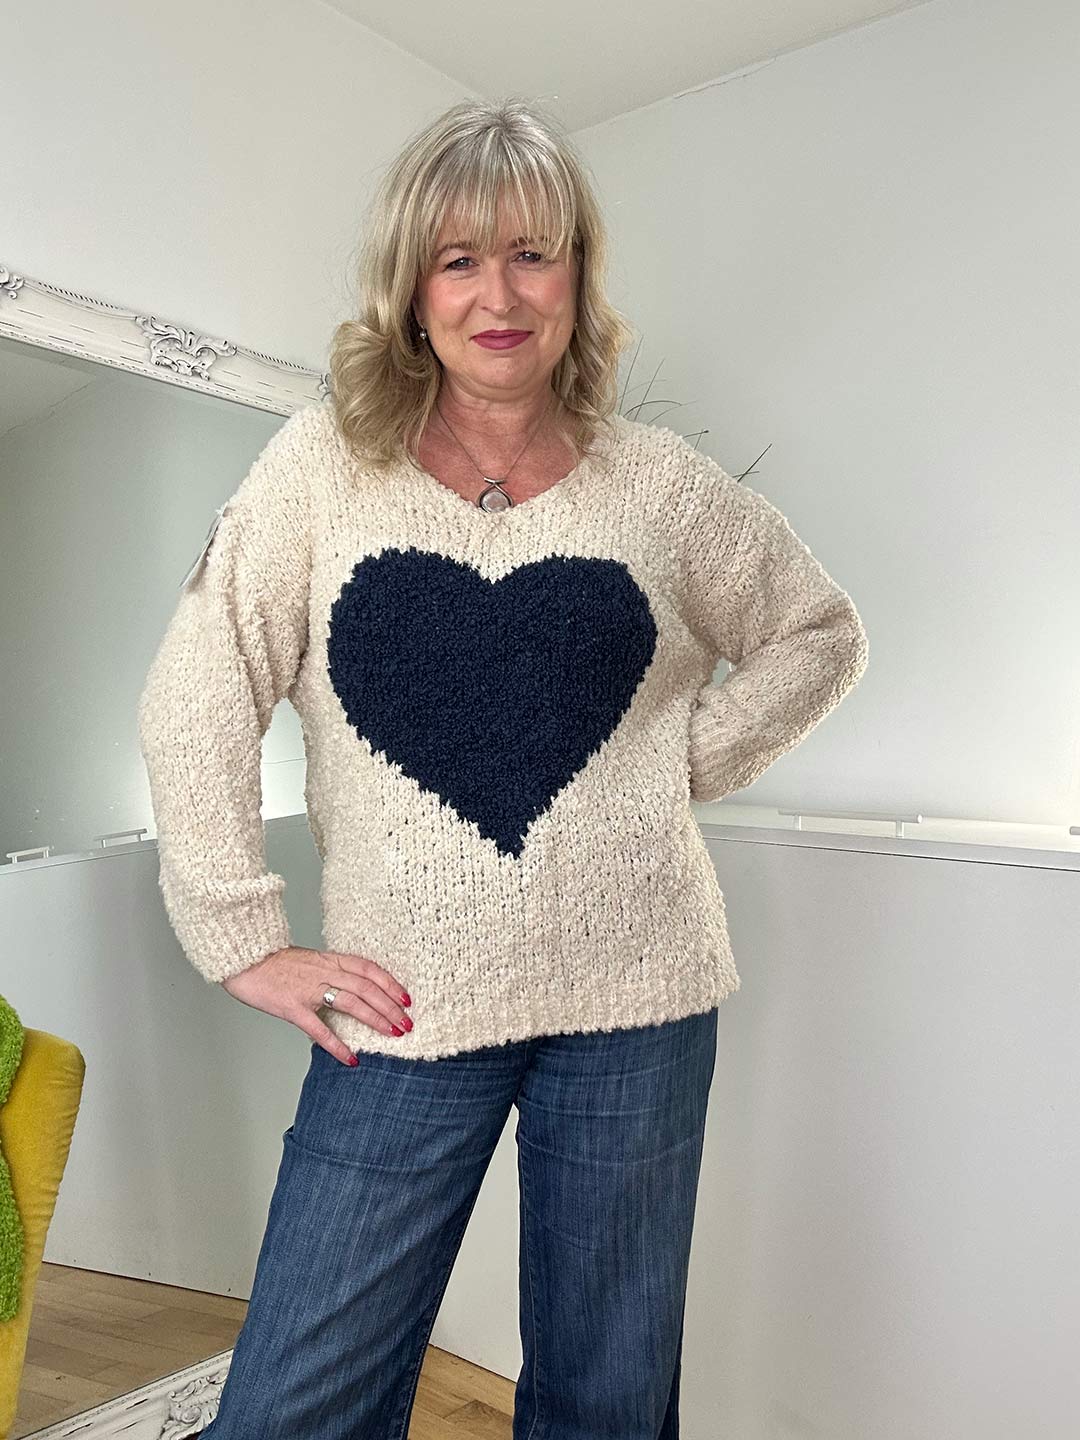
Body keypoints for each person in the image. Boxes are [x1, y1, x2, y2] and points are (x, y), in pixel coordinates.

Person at [137, 96, 869, 1439]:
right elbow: (198, 687)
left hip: (643, 998)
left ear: (578, 278)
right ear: (412, 290)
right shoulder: (322, 472)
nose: (499, 292)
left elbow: (818, 633)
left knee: (608, 1393)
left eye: (534, 252)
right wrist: (240, 935)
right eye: (459, 258)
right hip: (405, 1001)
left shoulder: (661, 485)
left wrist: (675, 762)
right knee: (298, 1401)